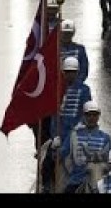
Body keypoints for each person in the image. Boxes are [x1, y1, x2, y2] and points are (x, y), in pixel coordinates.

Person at [42, 56, 92, 193]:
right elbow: (53, 116)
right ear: (63, 72)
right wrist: (54, 137)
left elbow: (86, 112)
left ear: (77, 72)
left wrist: (79, 127)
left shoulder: (84, 90)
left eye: (73, 71)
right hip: (60, 134)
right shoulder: (57, 88)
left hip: (78, 133)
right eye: (67, 71)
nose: (70, 74)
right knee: (47, 162)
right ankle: (46, 186)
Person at [57, 101, 111, 193]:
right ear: (84, 116)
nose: (91, 118)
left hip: (99, 180)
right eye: (88, 115)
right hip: (77, 179)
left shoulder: (105, 138)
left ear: (98, 116)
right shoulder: (74, 135)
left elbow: (110, 162)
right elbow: (62, 153)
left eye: (94, 115)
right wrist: (56, 147)